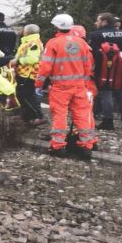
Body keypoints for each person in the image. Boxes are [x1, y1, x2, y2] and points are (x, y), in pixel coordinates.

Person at [36, 13, 96, 160]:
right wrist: (84, 82)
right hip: (80, 86)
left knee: (60, 115)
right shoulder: (82, 43)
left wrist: (38, 83)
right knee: (82, 116)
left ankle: (58, 146)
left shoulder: (53, 43)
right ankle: (86, 146)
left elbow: (45, 67)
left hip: (61, 87)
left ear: (56, 27)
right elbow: (88, 66)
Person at [89, 12, 122, 131]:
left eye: (98, 20)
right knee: (121, 93)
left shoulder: (96, 35)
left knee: (106, 93)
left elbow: (92, 53)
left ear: (104, 22)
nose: (96, 23)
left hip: (104, 68)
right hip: (121, 67)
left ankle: (108, 121)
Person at [14, 24, 46, 125]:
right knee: (24, 96)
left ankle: (38, 116)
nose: (22, 31)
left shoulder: (33, 43)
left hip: (29, 74)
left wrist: (18, 61)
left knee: (26, 96)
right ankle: (27, 117)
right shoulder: (28, 42)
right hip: (24, 73)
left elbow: (33, 59)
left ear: (27, 32)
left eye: (24, 30)